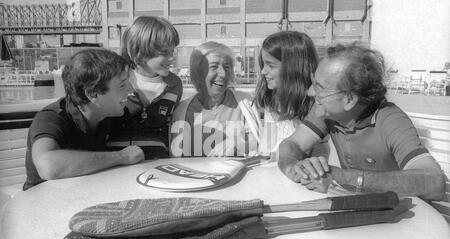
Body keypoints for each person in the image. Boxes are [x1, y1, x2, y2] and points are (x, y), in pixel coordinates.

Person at [278, 42, 446, 201]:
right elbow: (293, 145)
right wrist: (294, 167)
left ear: (349, 99)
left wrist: (344, 178)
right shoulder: (326, 111)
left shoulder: (390, 120)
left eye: (320, 88)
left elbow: (435, 182)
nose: (310, 92)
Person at [23, 49, 145, 190]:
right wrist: (121, 157)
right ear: (93, 93)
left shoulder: (111, 113)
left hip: (83, 196)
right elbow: (48, 165)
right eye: (122, 84)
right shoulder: (51, 118)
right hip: (41, 204)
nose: (131, 89)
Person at [108, 16, 183, 159]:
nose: (172, 58)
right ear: (140, 52)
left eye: (172, 51)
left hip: (157, 161)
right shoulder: (116, 78)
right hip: (115, 161)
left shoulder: (175, 85)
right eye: (165, 53)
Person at [170, 41, 260, 157]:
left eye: (227, 67)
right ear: (198, 72)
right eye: (213, 67)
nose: (223, 74)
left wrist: (238, 143)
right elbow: (176, 158)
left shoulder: (245, 103)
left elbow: (259, 143)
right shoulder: (182, 111)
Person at [254, 30, 329, 158]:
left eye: (270, 66)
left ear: (293, 68)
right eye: (263, 64)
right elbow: (267, 147)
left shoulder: (318, 107)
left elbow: (320, 152)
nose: (262, 71)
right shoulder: (271, 99)